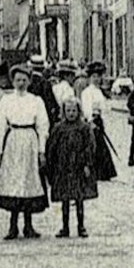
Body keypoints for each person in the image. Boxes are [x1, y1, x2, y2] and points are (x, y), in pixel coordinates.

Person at [0, 62, 51, 239]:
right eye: (17, 80)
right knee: (13, 181)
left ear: (29, 81)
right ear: (12, 81)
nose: (20, 83)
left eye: (24, 80)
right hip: (13, 142)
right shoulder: (6, 100)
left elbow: (43, 126)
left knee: (28, 181)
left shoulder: (36, 101)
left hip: (30, 141)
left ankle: (28, 225)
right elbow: (0, 125)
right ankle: (12, 226)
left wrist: (41, 150)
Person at [43, 97, 98, 238]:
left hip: (78, 166)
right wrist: (51, 166)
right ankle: (65, 227)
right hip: (63, 167)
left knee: (79, 197)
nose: (71, 113)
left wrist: (87, 164)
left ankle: (81, 226)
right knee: (65, 198)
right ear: (63, 112)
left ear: (79, 111)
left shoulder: (84, 128)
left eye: (74, 110)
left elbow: (90, 147)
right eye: (68, 110)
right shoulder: (58, 128)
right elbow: (52, 148)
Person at [79, 62, 118, 181]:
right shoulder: (87, 92)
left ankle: (103, 172)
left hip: (99, 119)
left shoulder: (99, 91)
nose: (96, 79)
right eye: (94, 77)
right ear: (89, 78)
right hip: (92, 120)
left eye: (98, 76)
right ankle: (94, 172)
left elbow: (103, 107)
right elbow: (86, 107)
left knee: (101, 146)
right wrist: (91, 121)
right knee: (94, 146)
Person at [27, 55, 61, 127]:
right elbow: (50, 102)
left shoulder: (27, 83)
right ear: (43, 68)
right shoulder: (45, 83)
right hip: (43, 117)